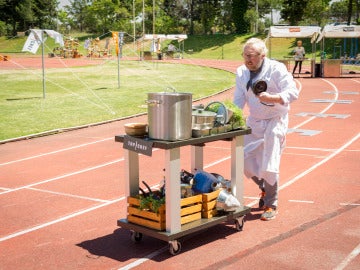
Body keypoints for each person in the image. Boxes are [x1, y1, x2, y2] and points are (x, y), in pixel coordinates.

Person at [233, 38, 299, 221]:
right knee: (243, 160)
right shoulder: (241, 72)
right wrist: (229, 116)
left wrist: (275, 98)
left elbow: (293, 92)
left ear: (263, 56)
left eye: (251, 56)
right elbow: (238, 100)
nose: (247, 59)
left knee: (270, 162)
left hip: (275, 119)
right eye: (245, 55)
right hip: (254, 120)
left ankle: (271, 203)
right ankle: (264, 188)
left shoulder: (276, 69)